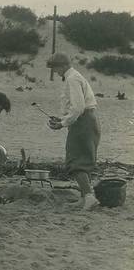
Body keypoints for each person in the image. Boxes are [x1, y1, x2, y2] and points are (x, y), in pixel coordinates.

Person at [46, 52, 101, 211]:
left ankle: (89, 197)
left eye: (56, 69)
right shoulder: (75, 77)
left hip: (83, 122)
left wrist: (62, 123)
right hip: (88, 120)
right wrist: (62, 118)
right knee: (84, 157)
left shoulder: (72, 79)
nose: (56, 72)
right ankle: (84, 198)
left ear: (63, 65)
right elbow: (76, 107)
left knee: (76, 160)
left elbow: (78, 107)